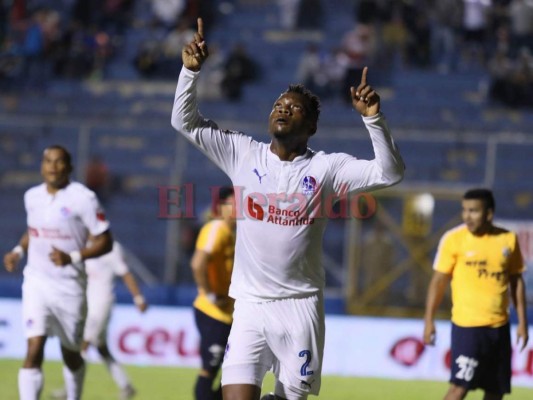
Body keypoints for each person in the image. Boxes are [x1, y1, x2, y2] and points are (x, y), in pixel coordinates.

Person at [171, 18, 405, 400]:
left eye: (293, 108)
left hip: (300, 308)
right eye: (278, 105)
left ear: (310, 125)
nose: (282, 110)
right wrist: (189, 71)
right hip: (248, 305)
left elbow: (390, 172)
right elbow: (183, 121)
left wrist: (373, 119)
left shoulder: (326, 168)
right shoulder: (242, 153)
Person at [3, 145, 113, 400]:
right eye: (47, 161)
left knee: (71, 354)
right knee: (34, 347)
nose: (52, 166)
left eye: (59, 161)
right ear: (41, 166)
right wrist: (18, 251)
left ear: (70, 167)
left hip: (70, 288)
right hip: (36, 283)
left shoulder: (83, 198)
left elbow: (104, 240)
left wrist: (72, 257)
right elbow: (34, 230)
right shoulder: (32, 196)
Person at [423, 188, 529, 400]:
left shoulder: (508, 239)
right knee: (459, 389)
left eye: (473, 211)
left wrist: (523, 323)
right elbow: (438, 282)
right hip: (467, 328)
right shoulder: (453, 239)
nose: (467, 216)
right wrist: (429, 321)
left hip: (499, 328)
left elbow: (516, 281)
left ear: (488, 213)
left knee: (495, 392)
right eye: (464, 210)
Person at [51, 240, 148, 400]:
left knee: (82, 344)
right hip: (85, 301)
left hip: (101, 303)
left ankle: (69, 389)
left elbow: (125, 273)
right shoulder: (81, 242)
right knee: (101, 347)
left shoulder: (111, 247)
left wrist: (138, 298)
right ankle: (126, 385)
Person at [191, 186, 236, 400]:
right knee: (210, 369)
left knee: (234, 372)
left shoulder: (231, 233)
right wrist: (209, 294)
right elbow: (198, 263)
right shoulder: (216, 229)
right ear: (221, 207)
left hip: (229, 313)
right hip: (213, 312)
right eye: (234, 203)